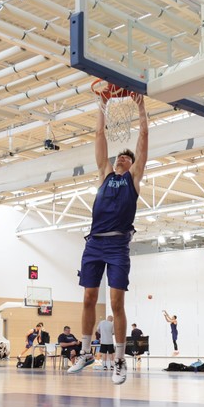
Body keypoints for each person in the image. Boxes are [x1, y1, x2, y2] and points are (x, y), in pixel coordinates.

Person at [69, 92, 149, 385]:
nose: (120, 158)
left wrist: (140, 107)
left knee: (116, 303)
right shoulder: (103, 173)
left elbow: (143, 135)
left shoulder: (134, 179)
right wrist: (101, 105)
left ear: (131, 163)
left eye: (126, 157)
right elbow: (99, 133)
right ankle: (87, 352)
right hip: (94, 242)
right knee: (89, 297)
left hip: (117, 244)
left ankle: (119, 359)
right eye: (119, 156)